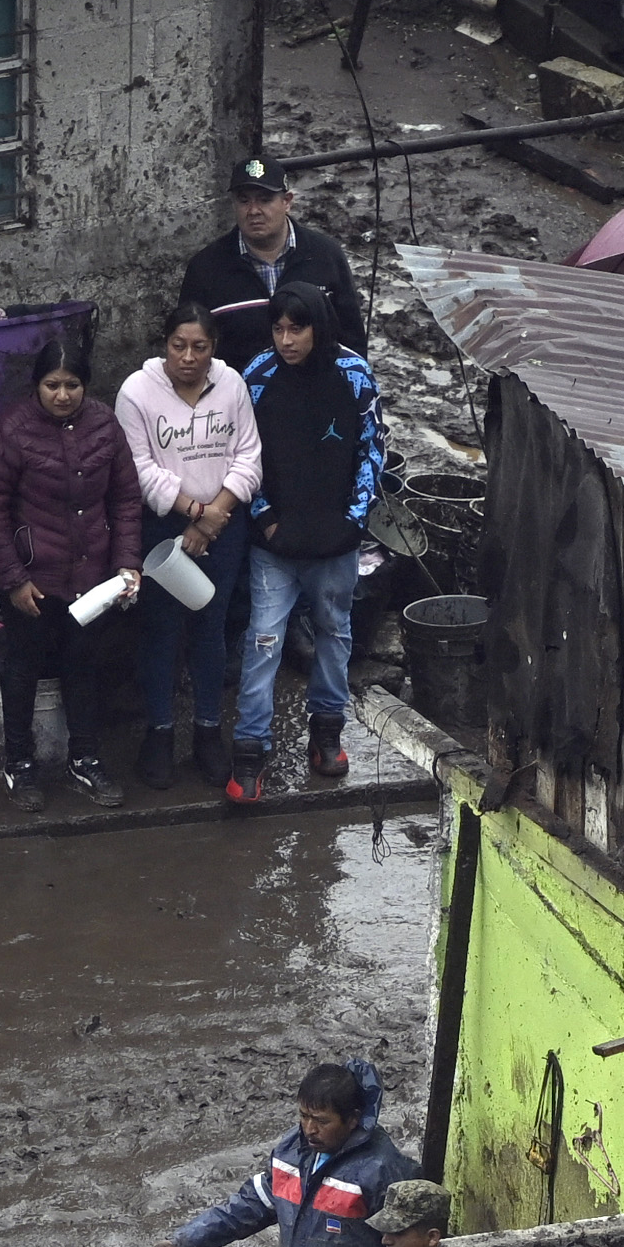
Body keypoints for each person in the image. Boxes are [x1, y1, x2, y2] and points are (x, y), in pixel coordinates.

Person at [146, 1057, 419, 1247]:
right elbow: (250, 1204)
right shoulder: (292, 1151)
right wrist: (185, 1244)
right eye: (304, 1116)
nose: (310, 1129)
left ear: (353, 1119)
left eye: (322, 1121)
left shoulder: (382, 1169)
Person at [229, 281, 383, 804]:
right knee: (263, 639)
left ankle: (327, 733)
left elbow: (372, 450)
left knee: (334, 635)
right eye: (278, 328)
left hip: (336, 543)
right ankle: (250, 751)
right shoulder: (258, 376)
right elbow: (241, 454)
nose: (286, 340)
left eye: (297, 328)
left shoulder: (354, 374)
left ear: (319, 326)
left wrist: (354, 520)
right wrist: (265, 516)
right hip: (276, 545)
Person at [0, 342, 137, 799]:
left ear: (86, 386)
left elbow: (124, 498)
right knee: (23, 667)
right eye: (52, 385)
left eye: (72, 385)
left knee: (82, 666)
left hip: (92, 578)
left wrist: (126, 564)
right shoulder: (10, 432)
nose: (62, 395)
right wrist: (14, 580)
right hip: (33, 578)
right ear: (36, 386)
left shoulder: (104, 425)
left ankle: (85, 760)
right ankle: (19, 764)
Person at [109, 312, 258, 787]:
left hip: (225, 522)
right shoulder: (136, 391)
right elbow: (139, 468)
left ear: (214, 347)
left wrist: (214, 516)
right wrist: (195, 512)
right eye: (178, 346)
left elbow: (249, 455)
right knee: (160, 628)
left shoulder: (232, 384)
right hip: (164, 525)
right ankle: (159, 732)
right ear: (164, 345)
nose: (188, 358)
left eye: (199, 347)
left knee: (211, 627)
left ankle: (209, 732)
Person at [171, 153, 359, 373]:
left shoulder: (326, 256)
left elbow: (351, 339)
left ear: (287, 201)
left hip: (317, 397)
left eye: (264, 199)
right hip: (238, 400)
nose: (253, 211)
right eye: (244, 200)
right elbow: (190, 346)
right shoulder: (205, 268)